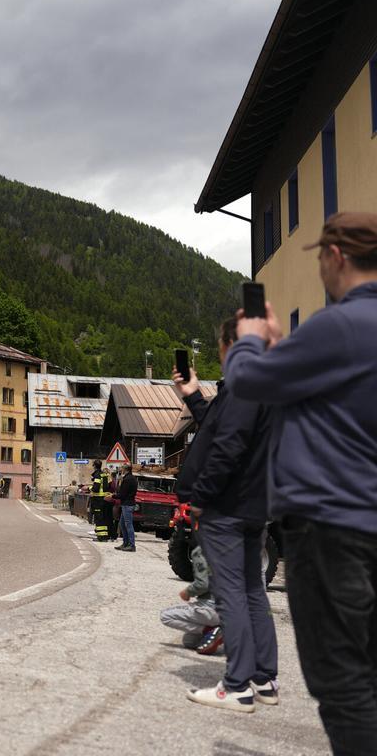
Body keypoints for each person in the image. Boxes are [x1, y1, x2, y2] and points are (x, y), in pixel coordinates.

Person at [225, 211, 377, 749]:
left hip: (332, 524)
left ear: (335, 256)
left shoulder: (338, 325)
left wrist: (248, 338)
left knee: (343, 681)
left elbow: (247, 379)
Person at [177, 315, 277, 714]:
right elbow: (222, 430)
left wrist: (200, 497)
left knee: (231, 591)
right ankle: (264, 677)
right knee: (253, 591)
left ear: (230, 345)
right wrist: (193, 396)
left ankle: (236, 685)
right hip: (254, 505)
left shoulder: (242, 382)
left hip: (227, 507)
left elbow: (227, 447)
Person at [160, 544, 222, 653]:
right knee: (189, 641)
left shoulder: (201, 550)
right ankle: (215, 631)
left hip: (211, 607)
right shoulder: (231, 550)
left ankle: (214, 629)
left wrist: (188, 592)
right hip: (231, 608)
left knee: (165, 615)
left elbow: (203, 584)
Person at [114, 464, 138, 552]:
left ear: (125, 469)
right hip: (127, 504)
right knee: (122, 524)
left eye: (122, 468)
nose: (121, 469)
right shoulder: (132, 478)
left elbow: (122, 494)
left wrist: (112, 496)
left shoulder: (127, 479)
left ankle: (131, 545)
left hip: (127, 504)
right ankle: (125, 543)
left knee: (128, 524)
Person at [89, 461, 111, 541]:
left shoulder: (97, 475)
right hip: (104, 499)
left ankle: (101, 537)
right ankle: (104, 536)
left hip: (98, 500)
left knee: (98, 518)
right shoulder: (103, 474)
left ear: (94, 466)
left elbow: (96, 488)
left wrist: (88, 488)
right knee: (103, 518)